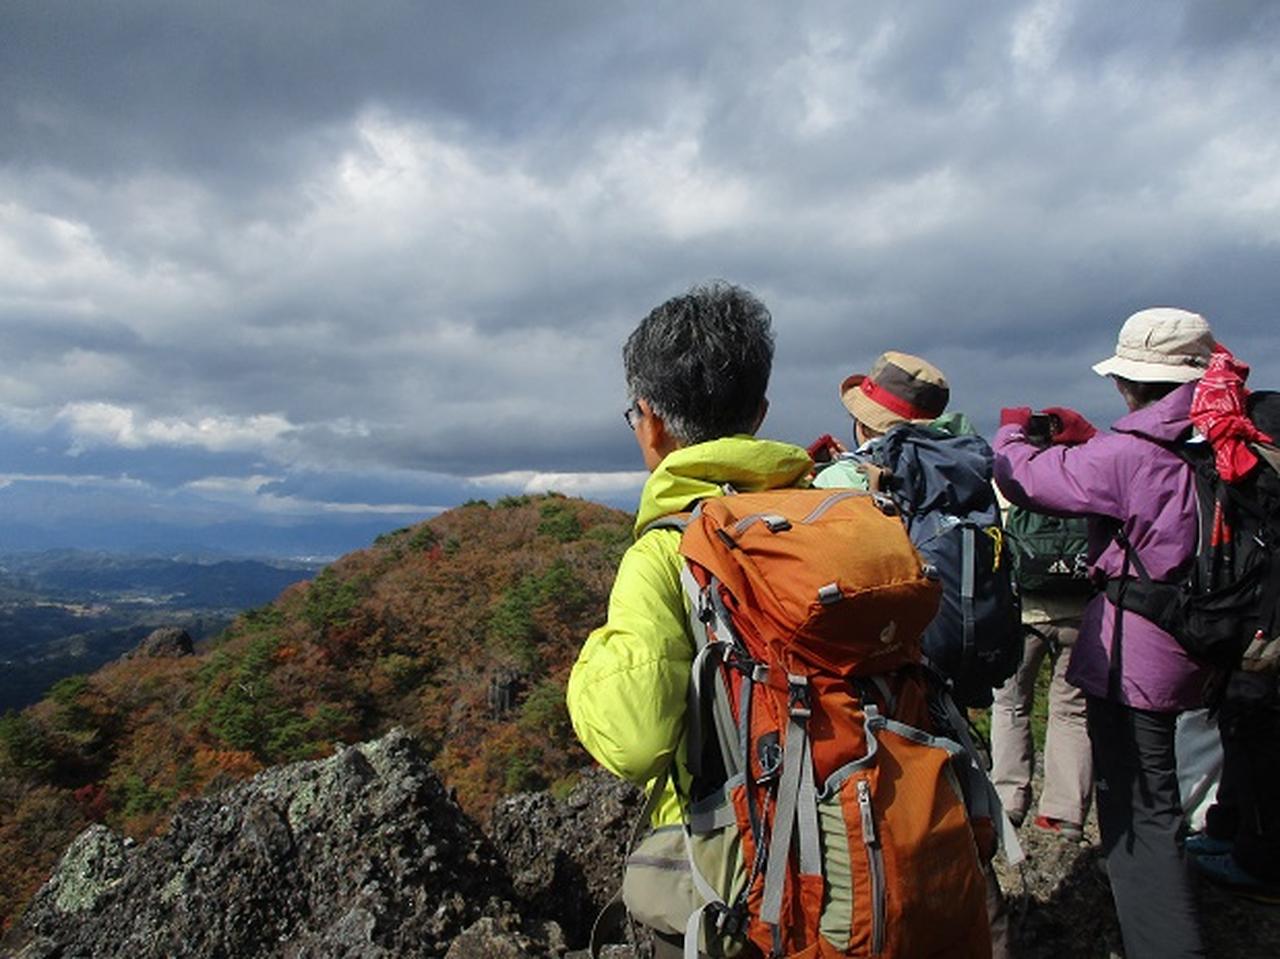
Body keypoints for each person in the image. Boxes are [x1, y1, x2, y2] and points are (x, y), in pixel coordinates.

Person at [566, 282, 812, 957]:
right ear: (761, 413)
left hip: (739, 875)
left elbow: (636, 739)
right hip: (861, 846)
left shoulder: (666, 549)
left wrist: (592, 658)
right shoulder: (828, 520)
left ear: (648, 421)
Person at [994, 307, 1215, 959]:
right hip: (1208, 640)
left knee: (1139, 812)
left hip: (1138, 657)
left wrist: (1012, 430)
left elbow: (1023, 478)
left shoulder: (1128, 454)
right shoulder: (1222, 446)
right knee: (1166, 791)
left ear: (1127, 382)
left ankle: (1164, 944)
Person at [990, 501, 1093, 842]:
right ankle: (1066, 813)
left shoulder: (1013, 484)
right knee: (1072, 711)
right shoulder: (1082, 480)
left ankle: (1009, 799)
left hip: (1026, 612)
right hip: (1081, 611)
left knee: (1010, 705)